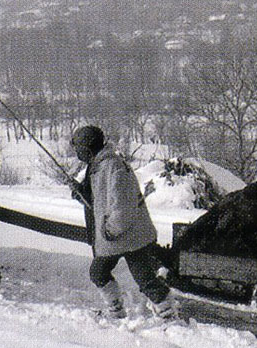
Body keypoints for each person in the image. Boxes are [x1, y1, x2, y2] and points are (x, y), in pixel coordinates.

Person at [69, 125, 178, 321]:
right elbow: (100, 200)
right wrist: (81, 193)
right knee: (99, 272)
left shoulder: (112, 167)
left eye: (78, 148)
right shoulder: (98, 165)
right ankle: (117, 312)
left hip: (127, 235)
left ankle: (169, 316)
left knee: (144, 280)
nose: (76, 153)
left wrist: (110, 231)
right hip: (120, 236)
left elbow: (123, 207)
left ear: (87, 148)